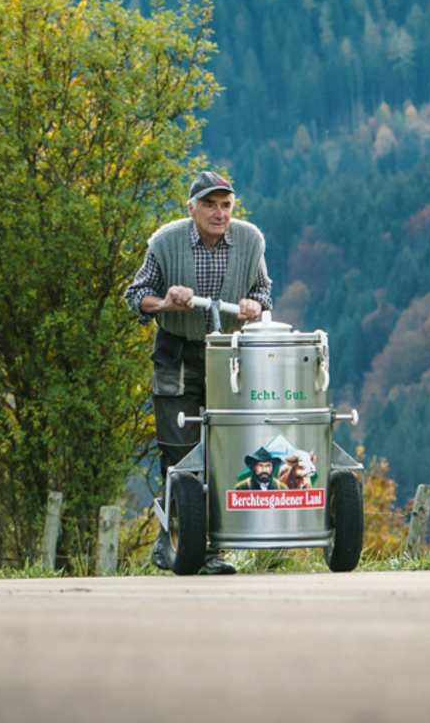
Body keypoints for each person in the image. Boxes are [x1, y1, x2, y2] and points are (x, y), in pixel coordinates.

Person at [124, 170, 273, 574]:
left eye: (225, 205)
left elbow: (263, 291)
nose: (219, 213)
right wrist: (167, 302)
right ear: (192, 208)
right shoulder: (165, 242)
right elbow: (135, 297)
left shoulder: (250, 240)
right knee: (179, 451)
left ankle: (204, 547)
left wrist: (254, 307)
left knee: (225, 450)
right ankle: (183, 543)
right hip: (177, 353)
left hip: (229, 355)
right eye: (209, 204)